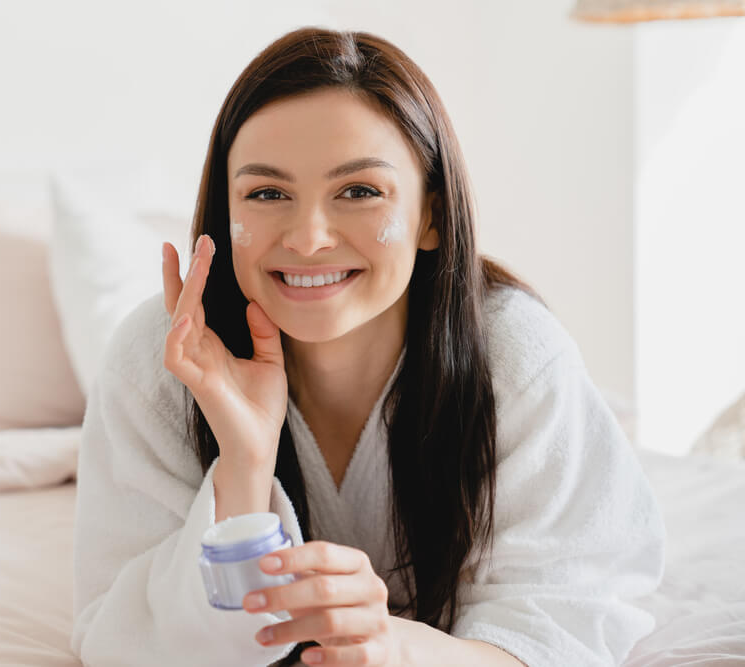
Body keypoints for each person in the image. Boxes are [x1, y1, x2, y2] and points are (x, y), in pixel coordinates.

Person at [71, 27, 664, 667]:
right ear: (225, 212)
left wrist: (397, 648)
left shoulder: (514, 354)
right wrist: (243, 468)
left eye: (358, 192)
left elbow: (569, 612)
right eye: (267, 194)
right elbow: (123, 639)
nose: (308, 237)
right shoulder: (161, 364)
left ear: (431, 215)